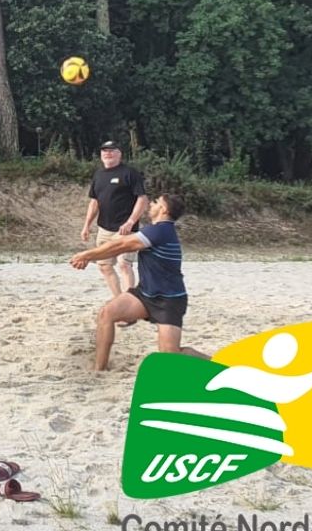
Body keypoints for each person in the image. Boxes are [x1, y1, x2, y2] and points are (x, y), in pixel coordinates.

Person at [69, 193, 208, 371]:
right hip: (145, 294)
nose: (151, 204)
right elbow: (117, 244)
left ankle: (218, 363)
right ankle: (99, 369)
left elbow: (120, 246)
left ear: (164, 209)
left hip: (169, 300)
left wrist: (86, 255)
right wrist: (90, 257)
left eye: (156, 202)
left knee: (171, 355)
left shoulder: (160, 230)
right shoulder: (155, 229)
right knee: (107, 314)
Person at [80, 140, 148, 298]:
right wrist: (86, 225)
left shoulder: (129, 173)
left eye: (112, 150)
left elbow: (142, 199)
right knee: (104, 266)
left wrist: (131, 221)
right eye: (105, 151)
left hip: (125, 229)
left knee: (124, 264)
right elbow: (94, 202)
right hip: (104, 229)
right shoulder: (98, 175)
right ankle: (118, 300)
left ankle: (129, 301)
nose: (108, 153)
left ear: (119, 154)